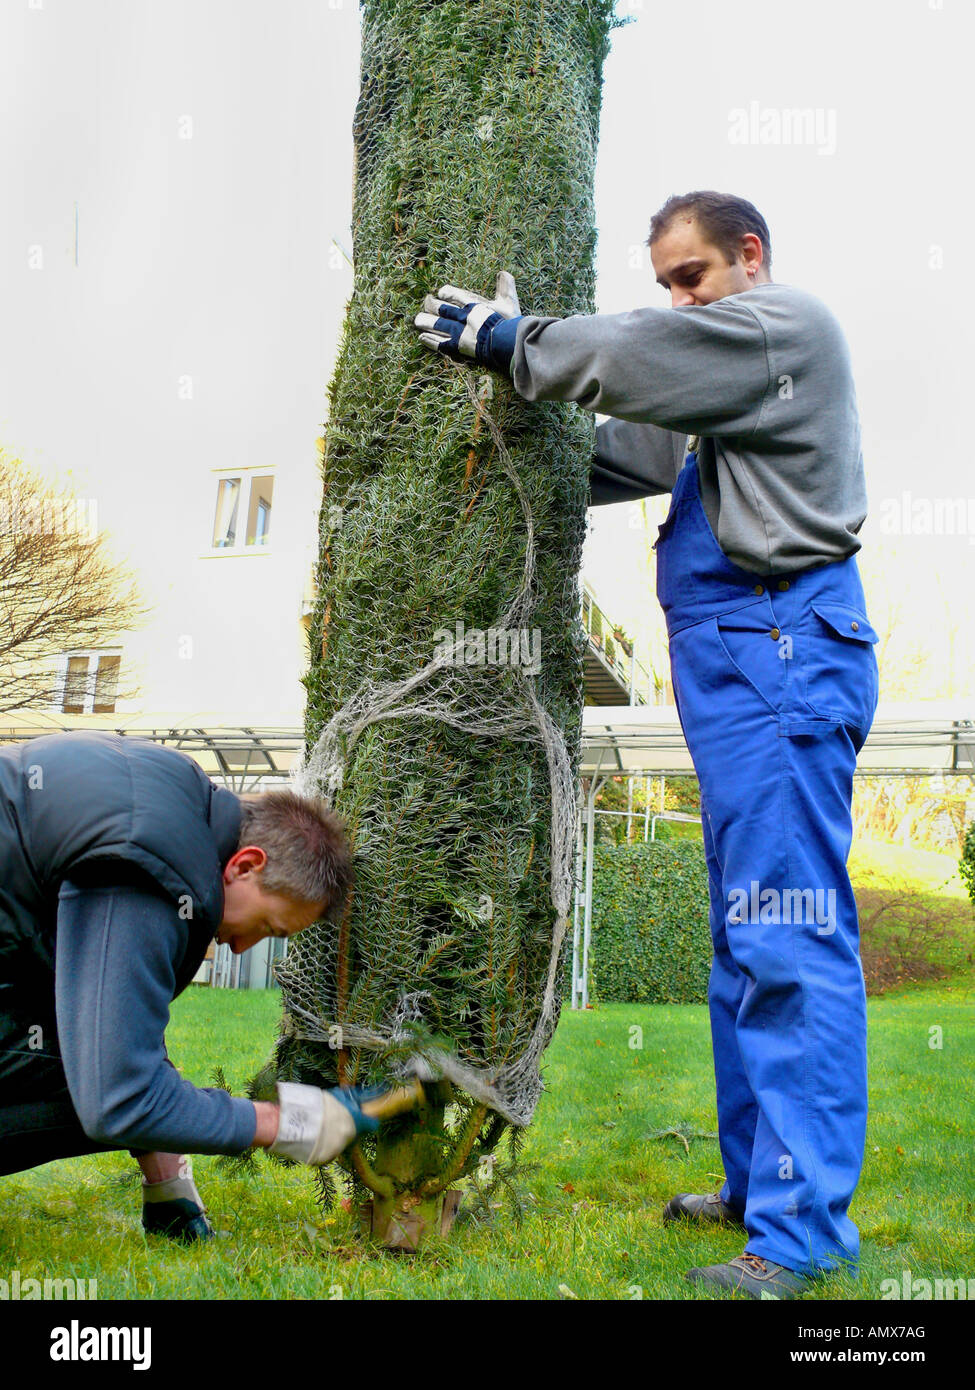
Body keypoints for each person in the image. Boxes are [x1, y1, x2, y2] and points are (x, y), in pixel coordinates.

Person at [413, 190, 880, 1299]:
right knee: (742, 935)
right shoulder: (713, 390)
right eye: (664, 278)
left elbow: (630, 352)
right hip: (740, 667)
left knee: (788, 932)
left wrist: (512, 338)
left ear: (748, 258)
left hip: (783, 650)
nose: (678, 297)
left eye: (692, 274)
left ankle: (803, 1234)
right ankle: (753, 1183)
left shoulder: (782, 329)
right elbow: (616, 447)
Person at [0, 729, 402, 1240]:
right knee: (100, 1078)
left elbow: (109, 1019)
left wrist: (169, 1189)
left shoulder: (174, 805)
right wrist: (290, 1124)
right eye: (268, 927)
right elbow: (121, 1098)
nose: (242, 948)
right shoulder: (152, 862)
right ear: (247, 865)